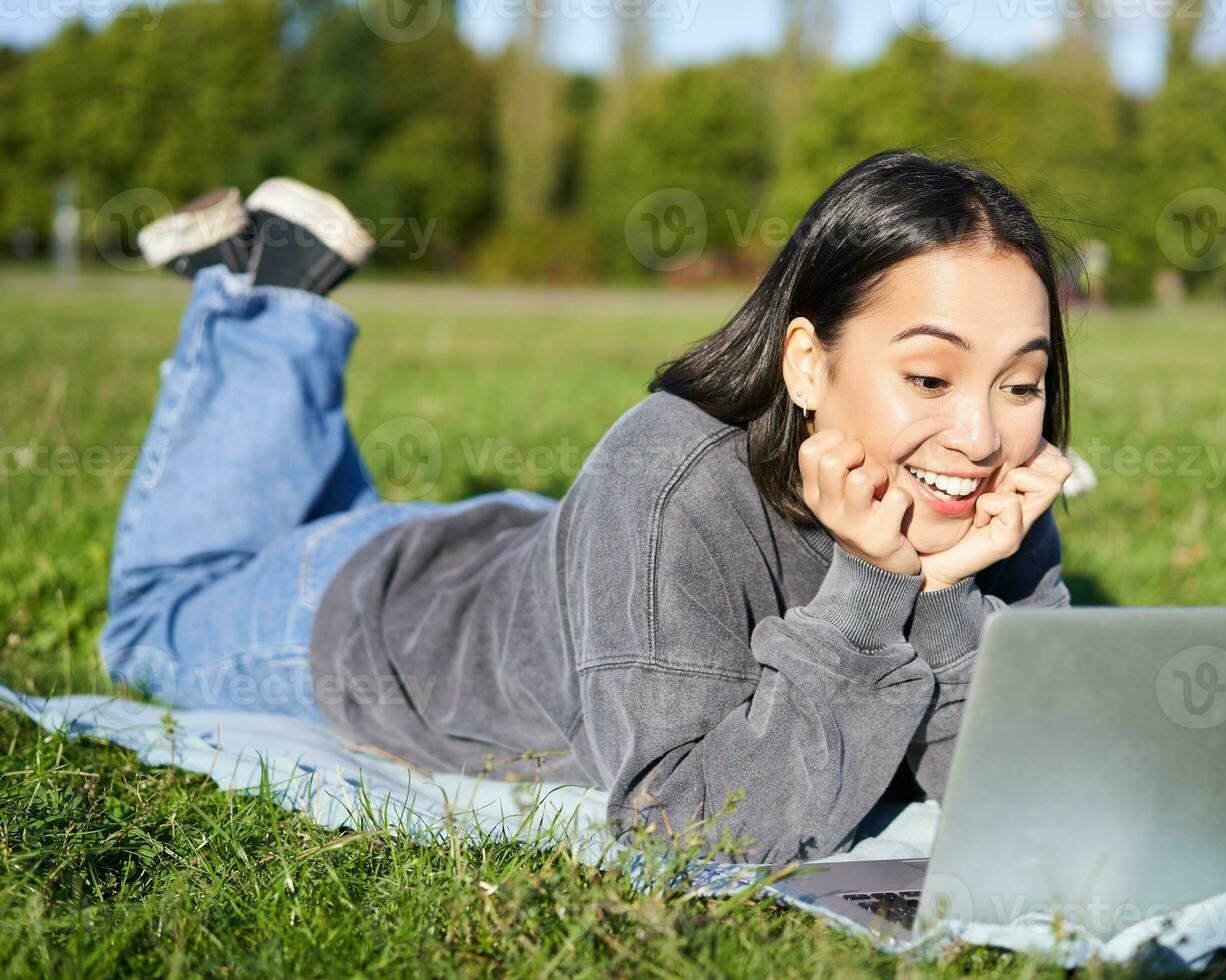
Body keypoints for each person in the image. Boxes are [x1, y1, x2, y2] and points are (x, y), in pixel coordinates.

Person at [101, 150, 1075, 866]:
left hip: (540, 567)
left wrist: (949, 589)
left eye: (1020, 385)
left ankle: (274, 312)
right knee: (148, 625)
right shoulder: (667, 476)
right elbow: (688, 825)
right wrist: (873, 587)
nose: (983, 437)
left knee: (293, 526)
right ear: (809, 362)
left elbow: (1011, 786)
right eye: (929, 375)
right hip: (372, 621)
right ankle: (265, 295)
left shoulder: (980, 494)